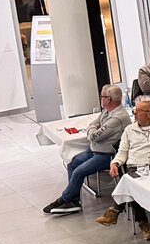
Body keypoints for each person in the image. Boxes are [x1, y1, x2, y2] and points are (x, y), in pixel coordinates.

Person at [43, 85, 129, 215]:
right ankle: (74, 200)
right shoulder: (107, 111)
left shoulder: (117, 118)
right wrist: (94, 127)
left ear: (109, 99)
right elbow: (92, 125)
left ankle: (65, 199)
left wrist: (93, 128)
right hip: (94, 150)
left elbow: (93, 136)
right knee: (73, 162)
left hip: (107, 155)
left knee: (78, 172)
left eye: (102, 96)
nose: (100, 99)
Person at [101, 97, 150, 234]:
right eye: (135, 111)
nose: (135, 113)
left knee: (131, 185)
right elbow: (122, 151)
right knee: (132, 184)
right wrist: (115, 163)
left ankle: (115, 210)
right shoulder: (129, 130)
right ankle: (143, 223)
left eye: (138, 111)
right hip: (136, 166)